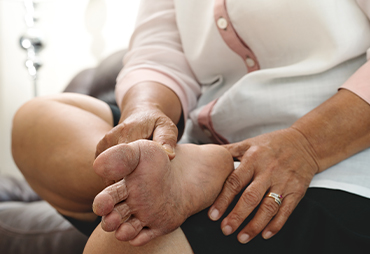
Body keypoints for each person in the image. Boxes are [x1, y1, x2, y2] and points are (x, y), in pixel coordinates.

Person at [12, 0, 370, 253]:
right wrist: (145, 111)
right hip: (204, 140)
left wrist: (304, 145)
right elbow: (159, 49)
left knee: (125, 249)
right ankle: (168, 172)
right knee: (38, 123)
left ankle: (179, 177)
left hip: (335, 162)